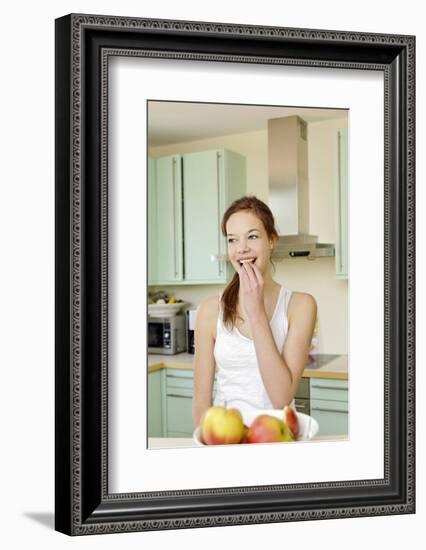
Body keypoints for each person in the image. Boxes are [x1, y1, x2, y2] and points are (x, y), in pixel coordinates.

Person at [192, 195, 317, 428]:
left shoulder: (301, 306)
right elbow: (200, 401)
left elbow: (281, 398)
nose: (241, 249)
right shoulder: (209, 311)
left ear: (271, 240)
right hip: (225, 439)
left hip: (275, 437)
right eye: (232, 240)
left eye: (252, 236)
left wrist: (256, 311)